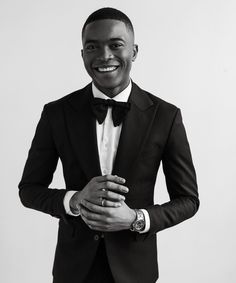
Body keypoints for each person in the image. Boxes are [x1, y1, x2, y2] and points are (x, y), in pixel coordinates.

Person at [19, 7, 199, 283]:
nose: (104, 56)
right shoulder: (57, 113)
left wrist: (136, 218)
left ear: (134, 51)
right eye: (92, 47)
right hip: (73, 271)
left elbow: (188, 200)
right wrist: (75, 200)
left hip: (136, 271)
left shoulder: (165, 116)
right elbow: (29, 190)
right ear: (82, 55)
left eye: (116, 45)